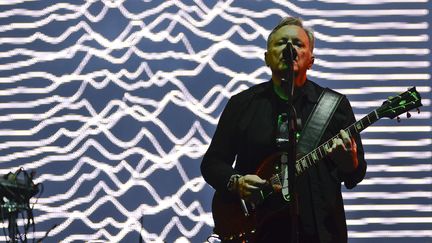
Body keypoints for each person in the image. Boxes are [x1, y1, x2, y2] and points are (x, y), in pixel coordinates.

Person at [201, 17, 367, 243]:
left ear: (311, 60)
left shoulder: (335, 106)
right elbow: (212, 163)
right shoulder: (242, 104)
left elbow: (355, 174)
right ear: (267, 58)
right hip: (256, 233)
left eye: (298, 44)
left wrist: (351, 163)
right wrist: (236, 182)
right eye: (281, 43)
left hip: (320, 233)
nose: (290, 48)